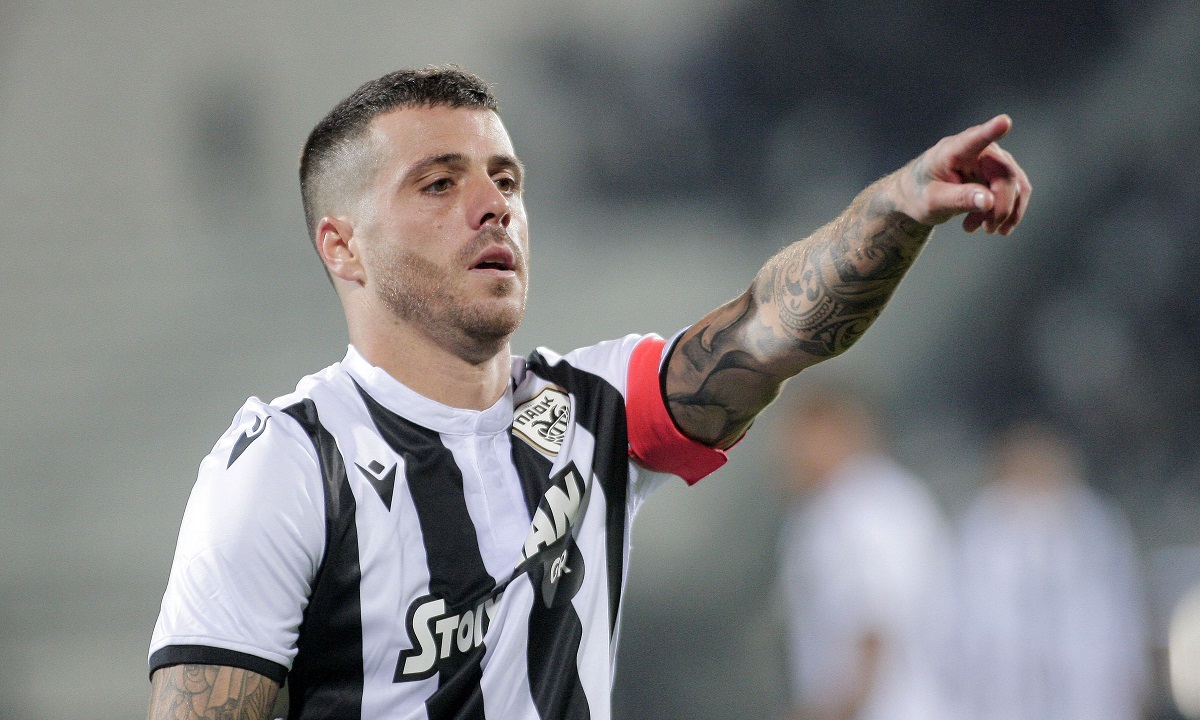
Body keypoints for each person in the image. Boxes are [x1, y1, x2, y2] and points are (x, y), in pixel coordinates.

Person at [146, 65, 1031, 720]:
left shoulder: (594, 407)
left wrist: (896, 206)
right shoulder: (288, 466)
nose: (493, 205)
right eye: (440, 182)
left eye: (506, 178)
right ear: (343, 247)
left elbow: (770, 328)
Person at [774, 384, 955, 720]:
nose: (787, 454)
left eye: (799, 438)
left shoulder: (846, 510)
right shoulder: (897, 495)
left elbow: (873, 629)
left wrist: (831, 713)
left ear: (833, 433)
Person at [951, 420, 1148, 720]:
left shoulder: (1095, 523)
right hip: (999, 699)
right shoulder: (980, 524)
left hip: (1088, 699)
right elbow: (958, 622)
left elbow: (1122, 619)